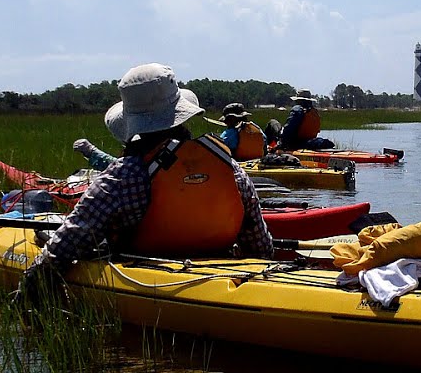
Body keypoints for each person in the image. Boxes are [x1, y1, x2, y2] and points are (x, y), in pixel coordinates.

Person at [15, 63, 275, 304]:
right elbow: (261, 247)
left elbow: (71, 239)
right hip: (224, 277)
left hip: (150, 279)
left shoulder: (122, 176)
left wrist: (32, 281)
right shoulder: (231, 169)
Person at [203, 102, 268, 160]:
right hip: (257, 160)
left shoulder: (229, 133)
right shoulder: (255, 128)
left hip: (239, 161)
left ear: (230, 119)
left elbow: (220, 147)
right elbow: (264, 140)